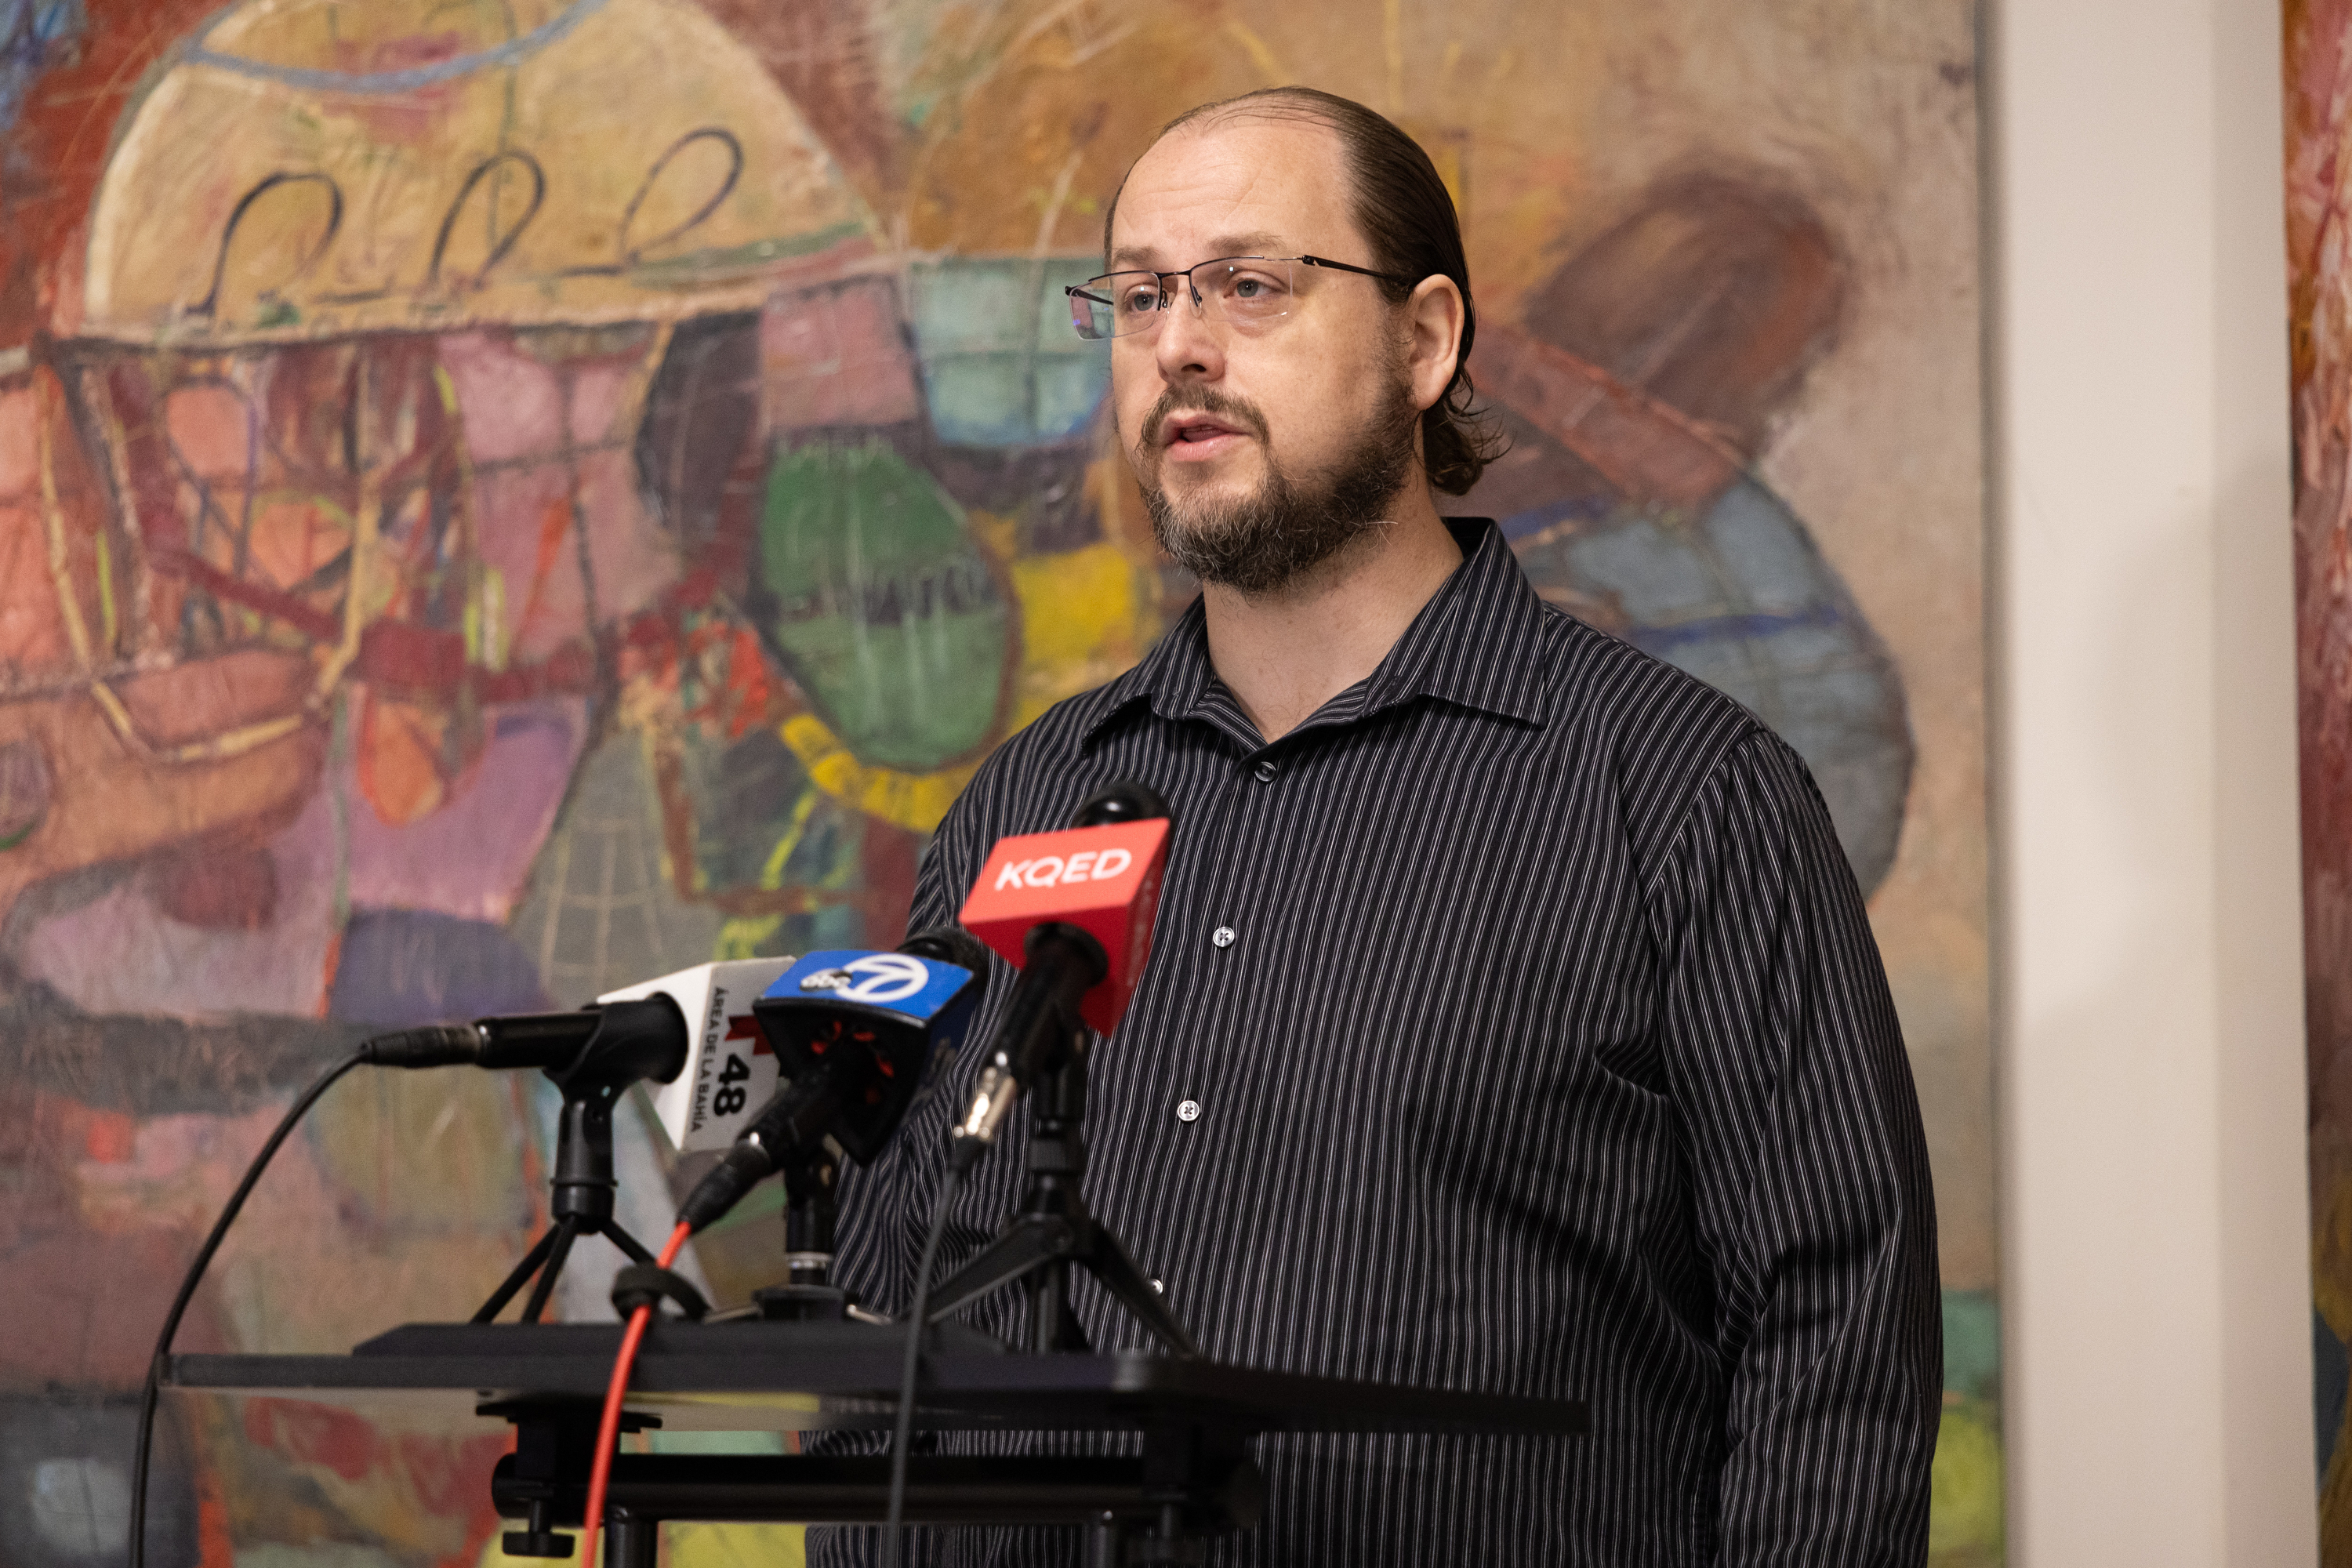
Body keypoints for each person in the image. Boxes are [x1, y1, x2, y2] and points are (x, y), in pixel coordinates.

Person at [815, 85, 1940, 1566]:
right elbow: (907, 1318)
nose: (1181, 347)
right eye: (1141, 296)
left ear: (1425, 342)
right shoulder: (1026, 805)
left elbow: (1834, 1348)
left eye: (1250, 286)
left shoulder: (1680, 799)